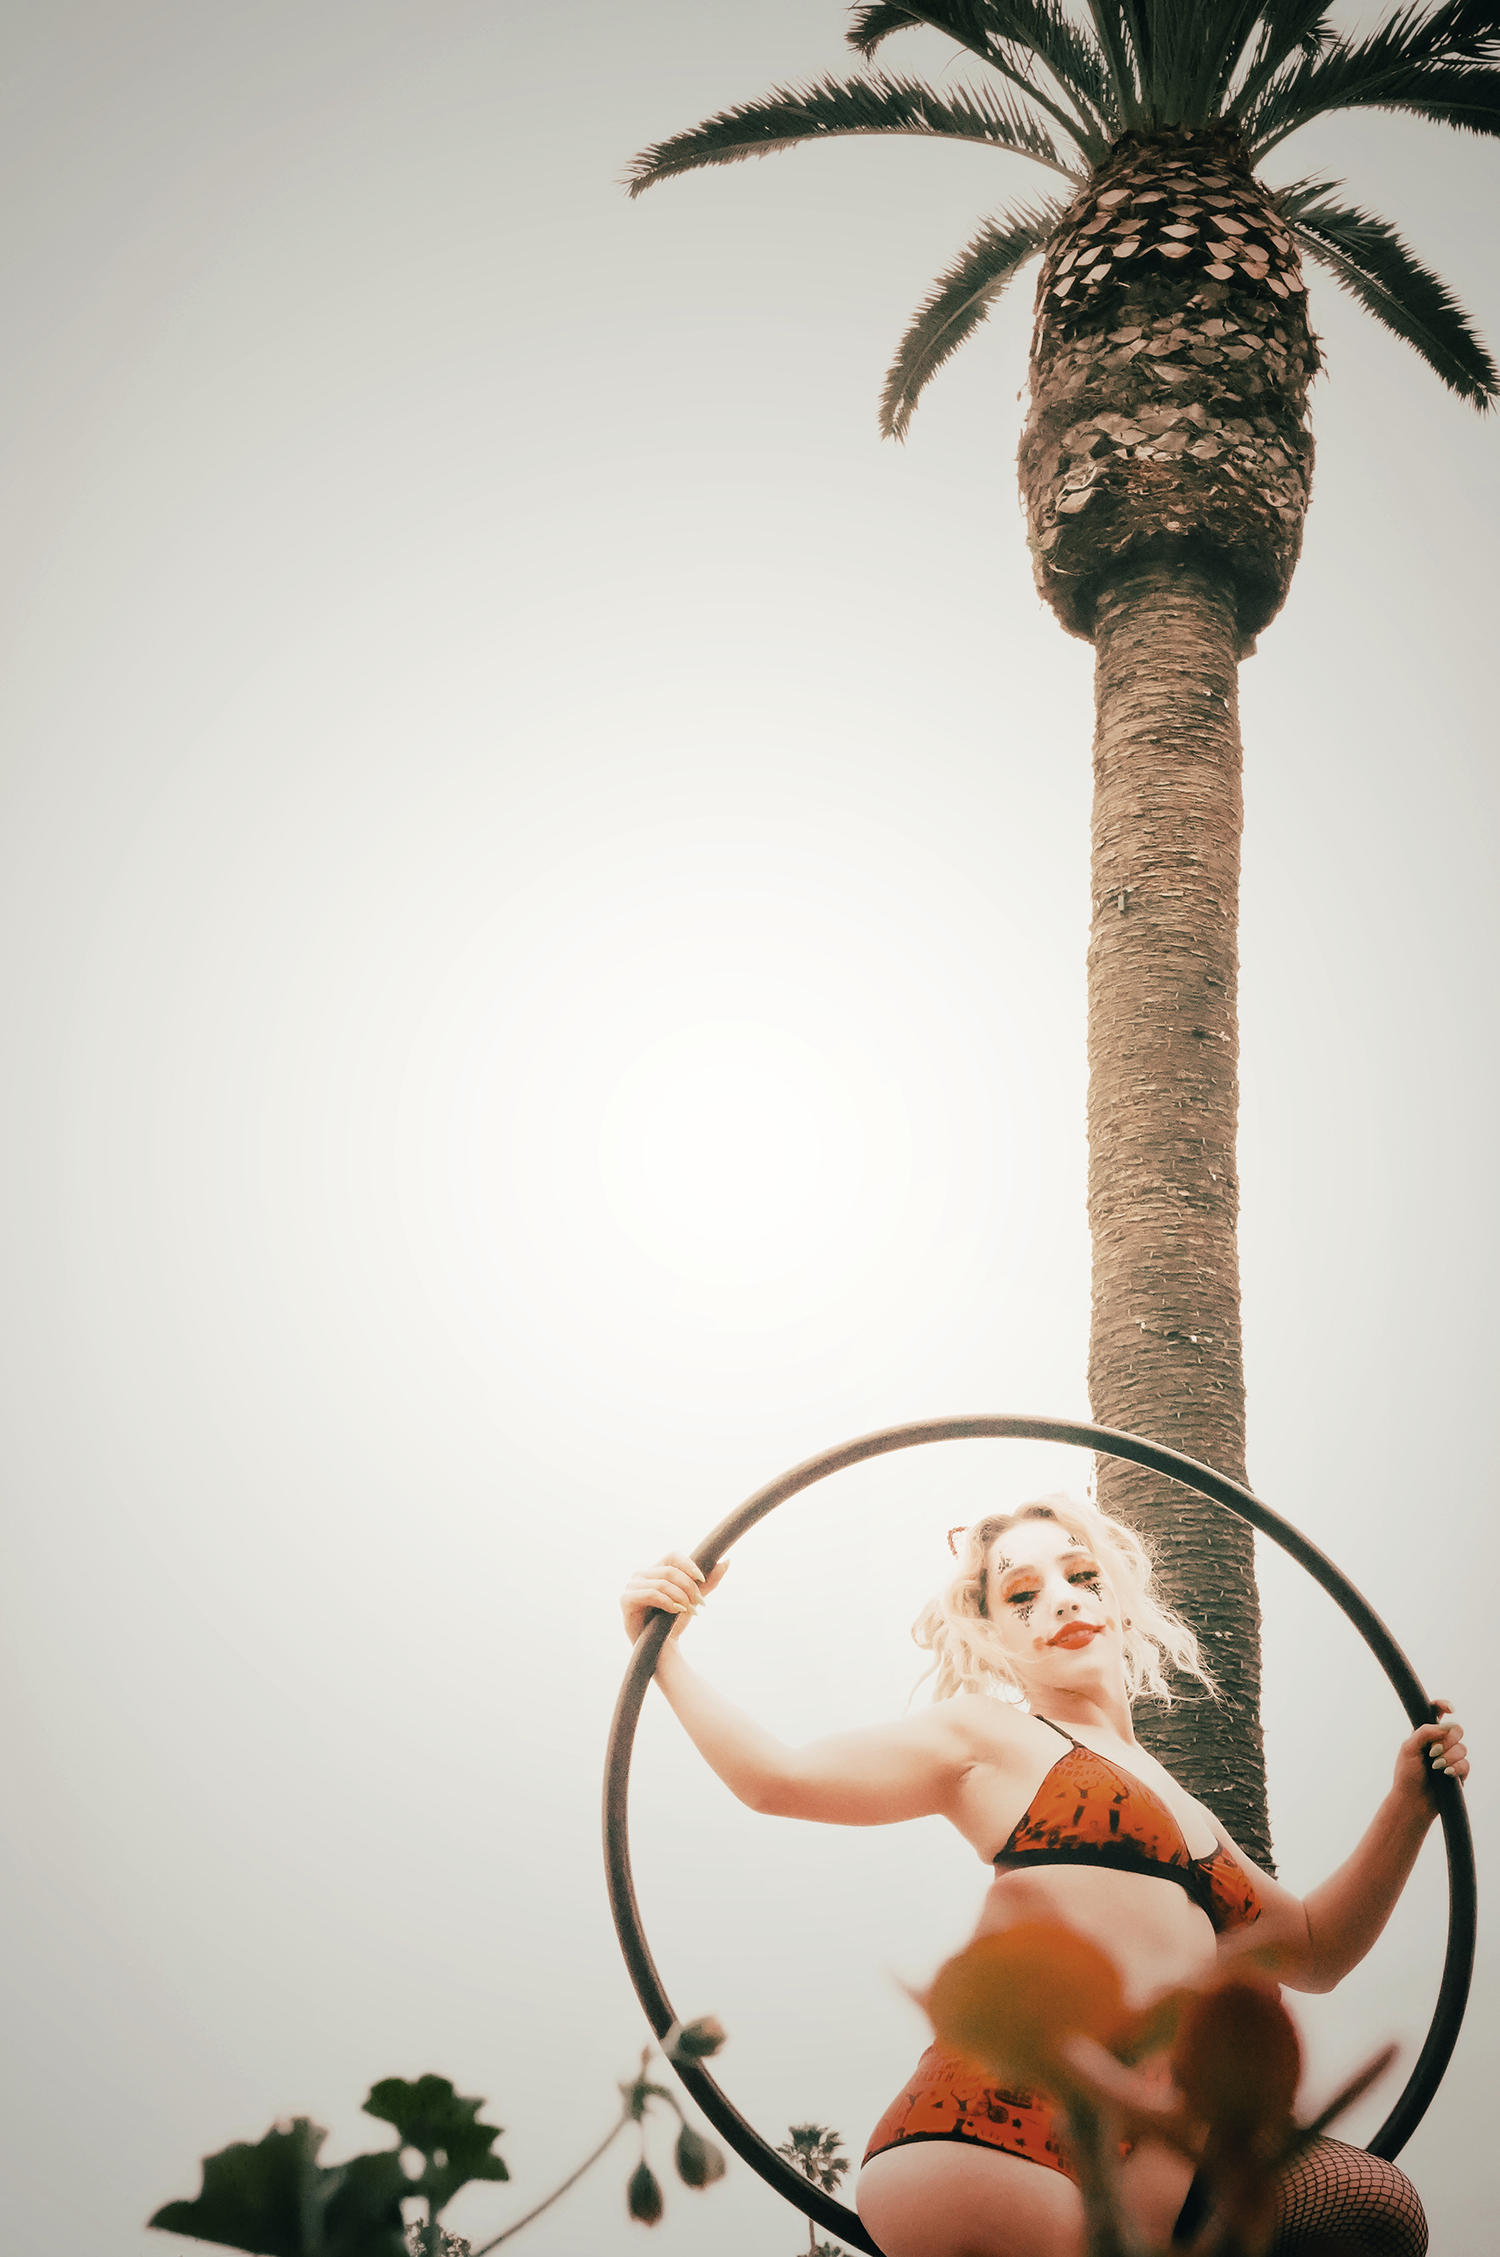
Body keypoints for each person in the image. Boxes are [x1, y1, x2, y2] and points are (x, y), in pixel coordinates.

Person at [620, 1494, 1467, 2257]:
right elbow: (777, 1778)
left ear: (1115, 1601)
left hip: (1157, 2176)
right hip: (994, 2133)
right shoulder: (989, 1735)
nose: (1058, 1598)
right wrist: (662, 1655)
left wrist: (1408, 1803)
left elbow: (1315, 1950)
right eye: (1020, 1593)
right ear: (991, 1632)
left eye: (1080, 1575)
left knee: (1371, 2203)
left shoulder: (1189, 1806)